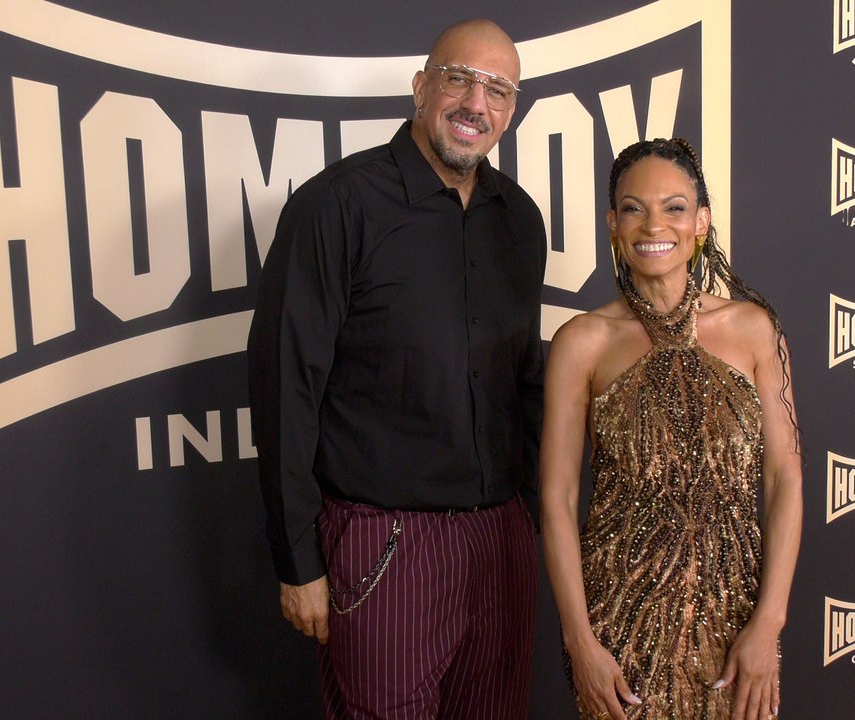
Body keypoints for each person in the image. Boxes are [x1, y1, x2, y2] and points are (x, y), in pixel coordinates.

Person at [246, 18, 546, 720]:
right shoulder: (337, 205)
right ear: (420, 87)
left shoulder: (519, 219)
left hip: (500, 541)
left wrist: (529, 519)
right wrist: (298, 559)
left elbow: (524, 382)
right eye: (458, 79)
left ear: (511, 110)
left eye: (498, 90)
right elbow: (286, 387)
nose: (476, 103)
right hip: (384, 546)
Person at [540, 138, 803, 720]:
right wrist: (580, 641)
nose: (653, 225)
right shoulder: (581, 343)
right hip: (620, 622)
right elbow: (557, 499)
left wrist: (769, 621)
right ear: (613, 224)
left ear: (701, 222)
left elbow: (785, 478)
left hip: (737, 620)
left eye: (674, 207)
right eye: (633, 208)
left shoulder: (754, 329)